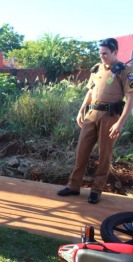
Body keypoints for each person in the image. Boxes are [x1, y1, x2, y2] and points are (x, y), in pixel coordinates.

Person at [57, 38, 133, 204]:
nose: (102, 56)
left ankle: (96, 190)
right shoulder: (96, 69)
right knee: (81, 151)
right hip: (92, 114)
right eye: (100, 53)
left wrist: (120, 123)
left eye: (105, 53)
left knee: (104, 154)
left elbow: (130, 99)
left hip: (110, 117)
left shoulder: (125, 71)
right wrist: (81, 110)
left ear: (115, 52)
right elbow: (90, 92)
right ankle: (73, 186)